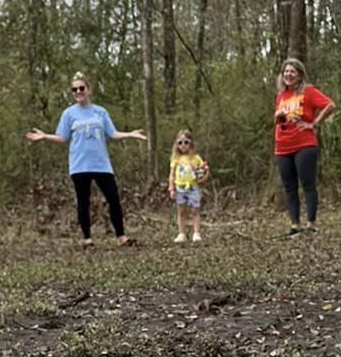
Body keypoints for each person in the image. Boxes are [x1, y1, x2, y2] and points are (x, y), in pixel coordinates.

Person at [26, 74, 147, 247]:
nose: (78, 92)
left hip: (101, 164)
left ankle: (121, 237)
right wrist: (45, 136)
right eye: (74, 89)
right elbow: (62, 137)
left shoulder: (100, 111)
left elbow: (112, 133)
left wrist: (130, 134)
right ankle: (87, 239)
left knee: (113, 198)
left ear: (88, 90)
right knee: (83, 201)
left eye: (81, 88)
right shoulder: (68, 114)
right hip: (79, 165)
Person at [273, 57, 334, 237]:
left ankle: (311, 224)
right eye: (286, 72)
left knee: (308, 184)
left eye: (292, 72)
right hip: (282, 147)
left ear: (299, 75)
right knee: (289, 187)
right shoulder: (281, 95)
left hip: (304, 144)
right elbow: (278, 120)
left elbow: (330, 105)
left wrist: (313, 123)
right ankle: (294, 225)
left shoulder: (308, 91)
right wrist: (279, 117)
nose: (288, 75)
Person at [167, 128, 209, 244]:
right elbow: (171, 175)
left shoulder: (196, 158)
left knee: (195, 210)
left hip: (193, 187)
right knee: (181, 211)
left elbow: (204, 171)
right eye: (180, 142)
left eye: (186, 142)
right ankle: (182, 233)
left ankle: (196, 233)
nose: (183, 145)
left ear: (191, 143)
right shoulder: (175, 158)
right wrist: (171, 188)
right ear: (176, 144)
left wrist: (204, 176)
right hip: (180, 188)